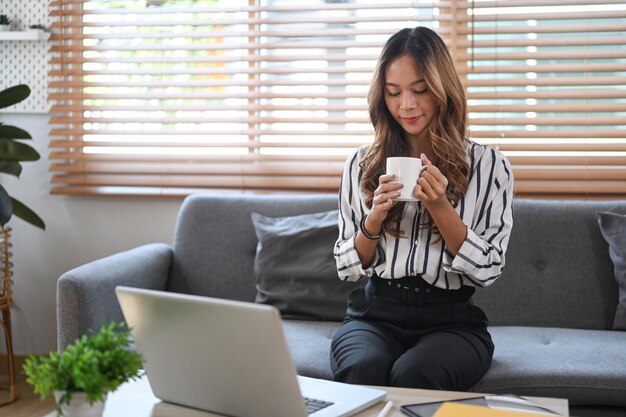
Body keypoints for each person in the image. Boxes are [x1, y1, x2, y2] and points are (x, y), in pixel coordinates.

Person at [331, 26, 514, 391]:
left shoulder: (490, 165)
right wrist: (374, 219)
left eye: (420, 90)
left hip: (452, 321)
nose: (406, 105)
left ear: (442, 88)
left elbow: (489, 268)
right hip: (374, 315)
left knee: (414, 374)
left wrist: (441, 207)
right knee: (363, 367)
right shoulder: (361, 164)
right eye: (394, 92)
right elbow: (346, 266)